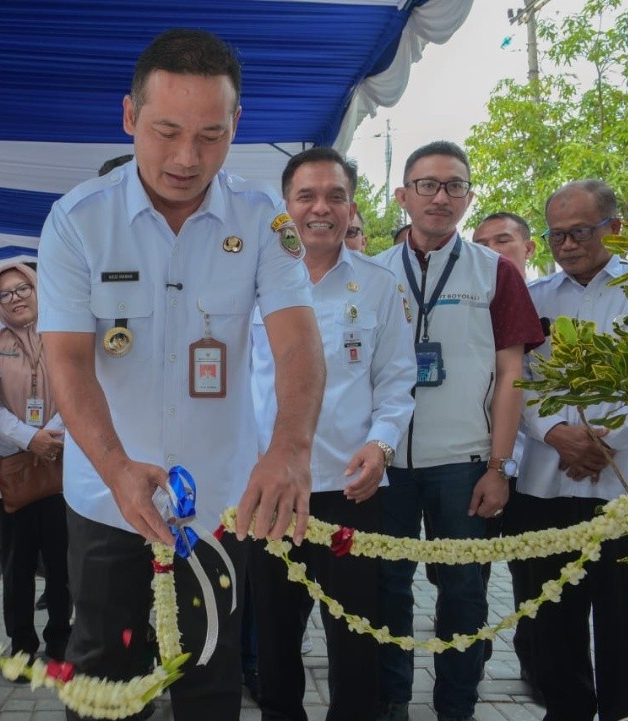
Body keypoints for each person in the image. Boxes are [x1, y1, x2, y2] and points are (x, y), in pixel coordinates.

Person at [38, 28, 324, 721]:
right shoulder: (79, 221)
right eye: (166, 131)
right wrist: (114, 466)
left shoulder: (262, 223)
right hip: (108, 498)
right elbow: (68, 361)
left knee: (210, 667)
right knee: (104, 669)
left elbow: (298, 344)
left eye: (210, 135)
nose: (186, 158)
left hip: (217, 502)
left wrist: (289, 448)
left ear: (237, 127)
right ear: (130, 117)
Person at [371, 141, 544, 721]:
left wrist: (499, 468)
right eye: (427, 184)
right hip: (386, 464)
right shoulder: (370, 272)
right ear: (403, 195)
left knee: (465, 593)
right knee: (386, 589)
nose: (440, 197)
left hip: (464, 464)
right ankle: (392, 697)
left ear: (468, 198)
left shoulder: (496, 272)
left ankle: (457, 706)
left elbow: (511, 373)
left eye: (453, 186)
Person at [249, 147, 416, 721]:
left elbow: (397, 381)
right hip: (267, 489)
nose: (321, 208)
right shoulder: (248, 281)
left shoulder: (376, 285)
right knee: (272, 629)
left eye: (335, 196)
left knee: (355, 630)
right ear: (285, 206)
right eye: (307, 196)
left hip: (351, 488)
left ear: (351, 208)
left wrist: (383, 444)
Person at [512, 179, 628, 721]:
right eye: (556, 235)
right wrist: (554, 432)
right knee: (550, 613)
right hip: (546, 484)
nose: (568, 244)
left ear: (614, 229)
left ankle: (623, 711)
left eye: (580, 231)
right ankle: (565, 709)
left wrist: (605, 444)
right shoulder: (534, 299)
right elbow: (515, 379)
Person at [0, 262, 72, 663]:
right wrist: (28, 438)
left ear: (39, 289)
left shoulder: (64, 335)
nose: (16, 298)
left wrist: (49, 436)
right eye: (6, 293)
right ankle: (21, 644)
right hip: (12, 471)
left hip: (61, 466)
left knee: (61, 561)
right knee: (17, 565)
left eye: (23, 288)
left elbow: (78, 389)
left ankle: (60, 638)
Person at [472, 210, 540, 700]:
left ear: (529, 246)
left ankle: (539, 668)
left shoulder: (548, 296)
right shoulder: (478, 296)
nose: (495, 252)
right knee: (465, 574)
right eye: (484, 243)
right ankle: (473, 657)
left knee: (533, 577)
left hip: (536, 467)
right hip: (486, 458)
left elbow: (522, 381)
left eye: (504, 240)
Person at [472, 212, 535, 277]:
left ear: (528, 249)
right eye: (482, 246)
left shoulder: (543, 286)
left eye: (502, 241)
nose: (491, 250)